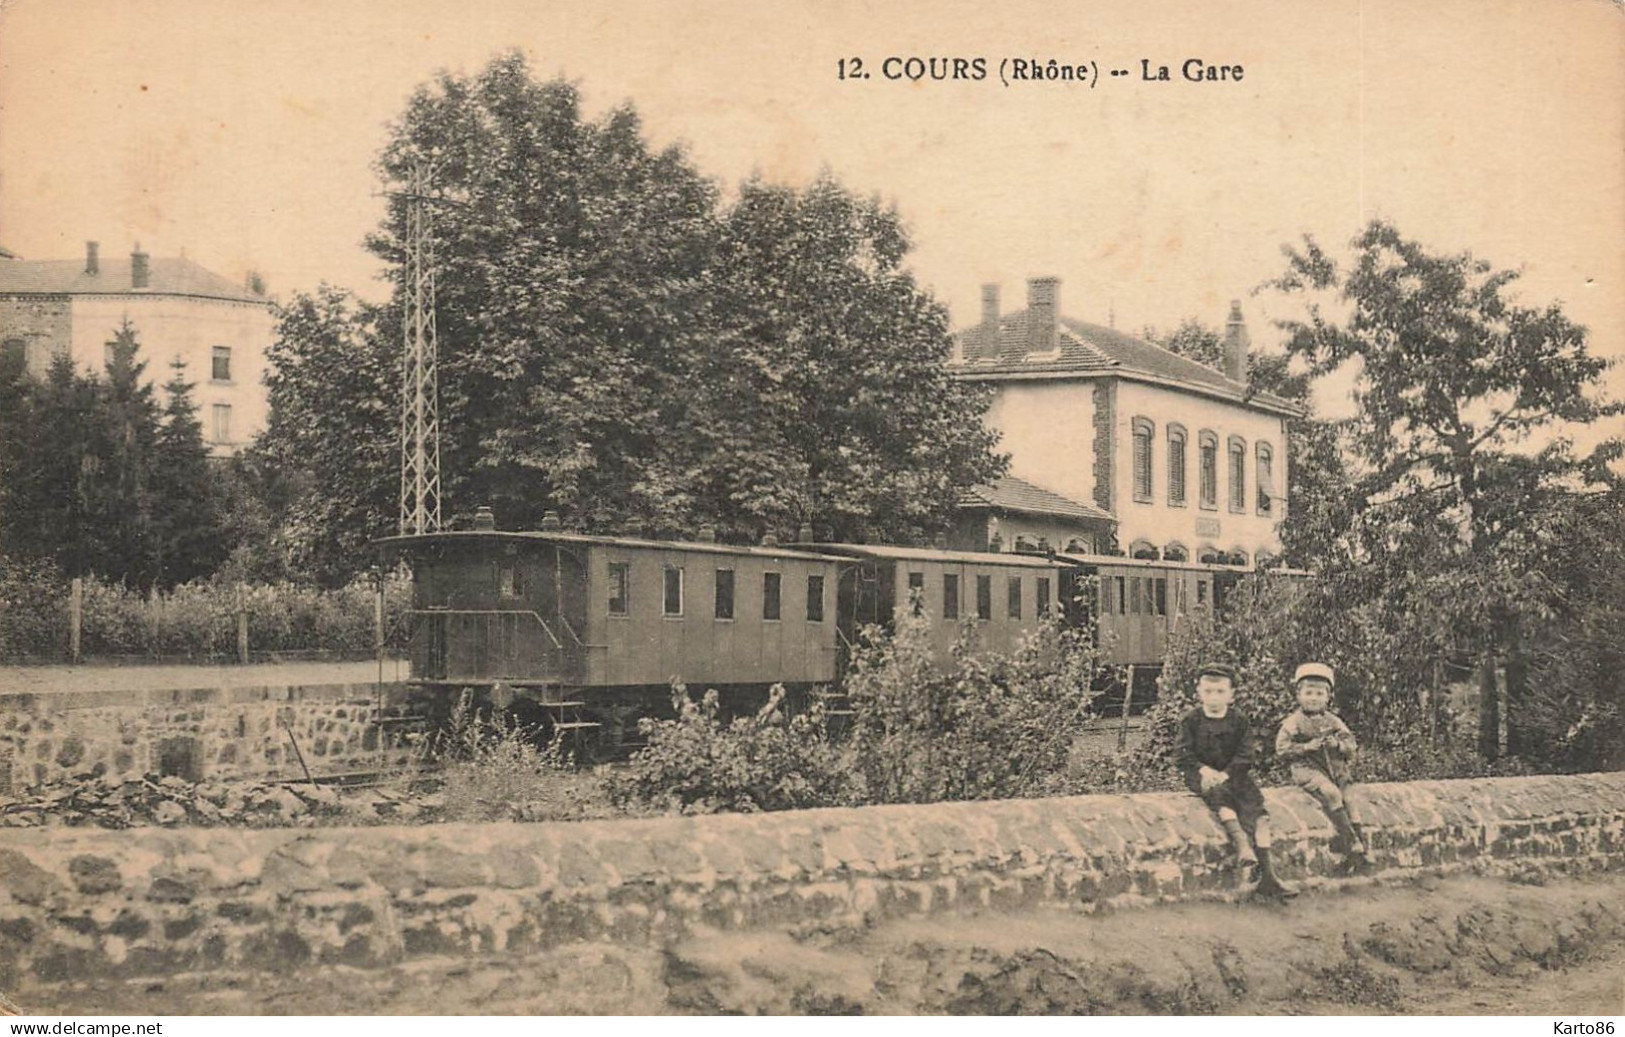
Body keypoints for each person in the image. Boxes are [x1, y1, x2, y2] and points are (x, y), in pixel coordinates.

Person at [1174, 662, 1295, 900]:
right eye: (1208, 691)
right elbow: (1182, 754)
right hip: (1203, 775)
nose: (1214, 697)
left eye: (1220, 692)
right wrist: (1203, 770)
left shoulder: (1239, 720)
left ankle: (1269, 877)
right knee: (1220, 797)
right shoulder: (1192, 720)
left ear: (1231, 694)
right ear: (1198, 692)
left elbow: (1245, 754)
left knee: (1257, 811)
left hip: (1234, 774)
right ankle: (1242, 845)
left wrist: (1228, 773)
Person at [1275, 662, 1367, 869]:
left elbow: (1351, 745)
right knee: (1332, 794)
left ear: (1328, 697)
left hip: (1335, 769)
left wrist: (1338, 745)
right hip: (1307, 769)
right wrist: (1307, 747)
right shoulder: (1293, 722)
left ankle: (1361, 846)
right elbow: (1281, 749)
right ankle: (1352, 843)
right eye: (1309, 692)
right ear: (1299, 695)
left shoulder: (1334, 721)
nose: (1314, 698)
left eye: (1319, 693)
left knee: (1350, 798)